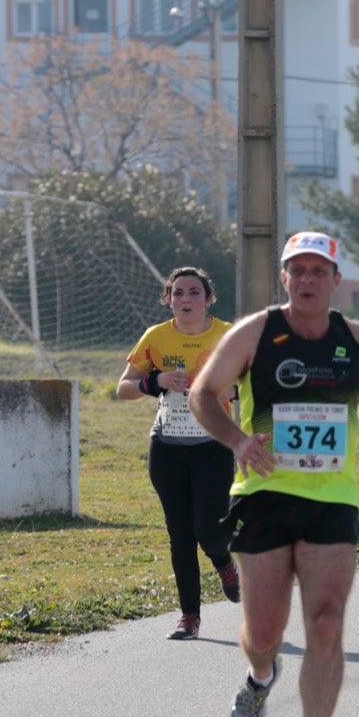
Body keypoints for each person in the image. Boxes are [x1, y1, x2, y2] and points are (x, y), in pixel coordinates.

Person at [189, 231, 359, 717]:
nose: (307, 280)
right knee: (264, 633)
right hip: (264, 494)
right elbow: (203, 394)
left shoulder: (358, 338)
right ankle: (261, 675)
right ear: (284, 278)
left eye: (317, 271)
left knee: (326, 621)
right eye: (297, 270)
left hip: (333, 498)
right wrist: (238, 441)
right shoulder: (254, 333)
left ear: (335, 280)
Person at [115, 267, 238, 641]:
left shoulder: (228, 335)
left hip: (213, 446)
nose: (186, 300)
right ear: (168, 299)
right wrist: (156, 380)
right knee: (180, 534)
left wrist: (228, 391)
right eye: (178, 293)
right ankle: (189, 617)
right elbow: (123, 387)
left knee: (209, 530)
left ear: (208, 299)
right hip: (168, 448)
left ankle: (224, 563)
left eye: (194, 292)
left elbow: (256, 383)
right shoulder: (156, 337)